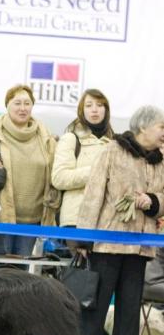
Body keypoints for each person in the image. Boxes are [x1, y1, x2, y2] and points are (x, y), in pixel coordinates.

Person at [77, 105, 164, 335]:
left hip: (141, 249)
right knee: (94, 310)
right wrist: (84, 240)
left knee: (128, 315)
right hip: (107, 245)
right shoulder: (113, 151)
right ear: (144, 126)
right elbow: (93, 195)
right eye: (161, 127)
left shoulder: (160, 160)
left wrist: (153, 201)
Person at [0, 84, 60, 257]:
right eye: (17, 103)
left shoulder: (46, 139)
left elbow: (56, 171)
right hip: (0, 218)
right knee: (0, 272)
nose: (23, 108)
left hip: (33, 221)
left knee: (22, 274)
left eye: (27, 103)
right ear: (7, 105)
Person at [51, 89, 113, 240]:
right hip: (76, 219)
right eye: (89, 105)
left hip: (107, 220)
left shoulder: (113, 143)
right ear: (81, 110)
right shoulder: (71, 138)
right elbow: (59, 178)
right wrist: (96, 172)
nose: (94, 109)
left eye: (99, 105)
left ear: (106, 110)